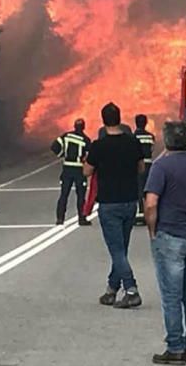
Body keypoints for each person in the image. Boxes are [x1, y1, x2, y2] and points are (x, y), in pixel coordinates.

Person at [144, 120, 186, 365]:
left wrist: (153, 232)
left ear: (166, 140)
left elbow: (151, 203)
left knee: (171, 295)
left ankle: (175, 347)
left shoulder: (161, 168)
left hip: (170, 236)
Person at [83, 102, 144, 309]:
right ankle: (111, 290)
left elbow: (87, 172)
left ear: (103, 120)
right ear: (120, 118)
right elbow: (141, 167)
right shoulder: (132, 142)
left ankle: (131, 289)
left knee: (117, 250)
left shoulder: (98, 146)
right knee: (121, 249)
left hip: (110, 204)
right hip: (130, 202)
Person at [51, 118, 92, 226]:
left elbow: (54, 146)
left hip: (67, 169)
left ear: (74, 126)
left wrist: (62, 155)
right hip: (79, 170)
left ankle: (60, 218)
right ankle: (81, 218)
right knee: (81, 195)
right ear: (83, 127)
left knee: (64, 194)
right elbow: (89, 156)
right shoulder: (86, 140)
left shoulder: (66, 136)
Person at [133, 114, 155, 225]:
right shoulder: (151, 137)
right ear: (145, 123)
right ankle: (147, 212)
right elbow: (152, 149)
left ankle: (140, 212)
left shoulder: (133, 137)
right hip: (149, 164)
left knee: (138, 189)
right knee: (147, 189)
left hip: (137, 165)